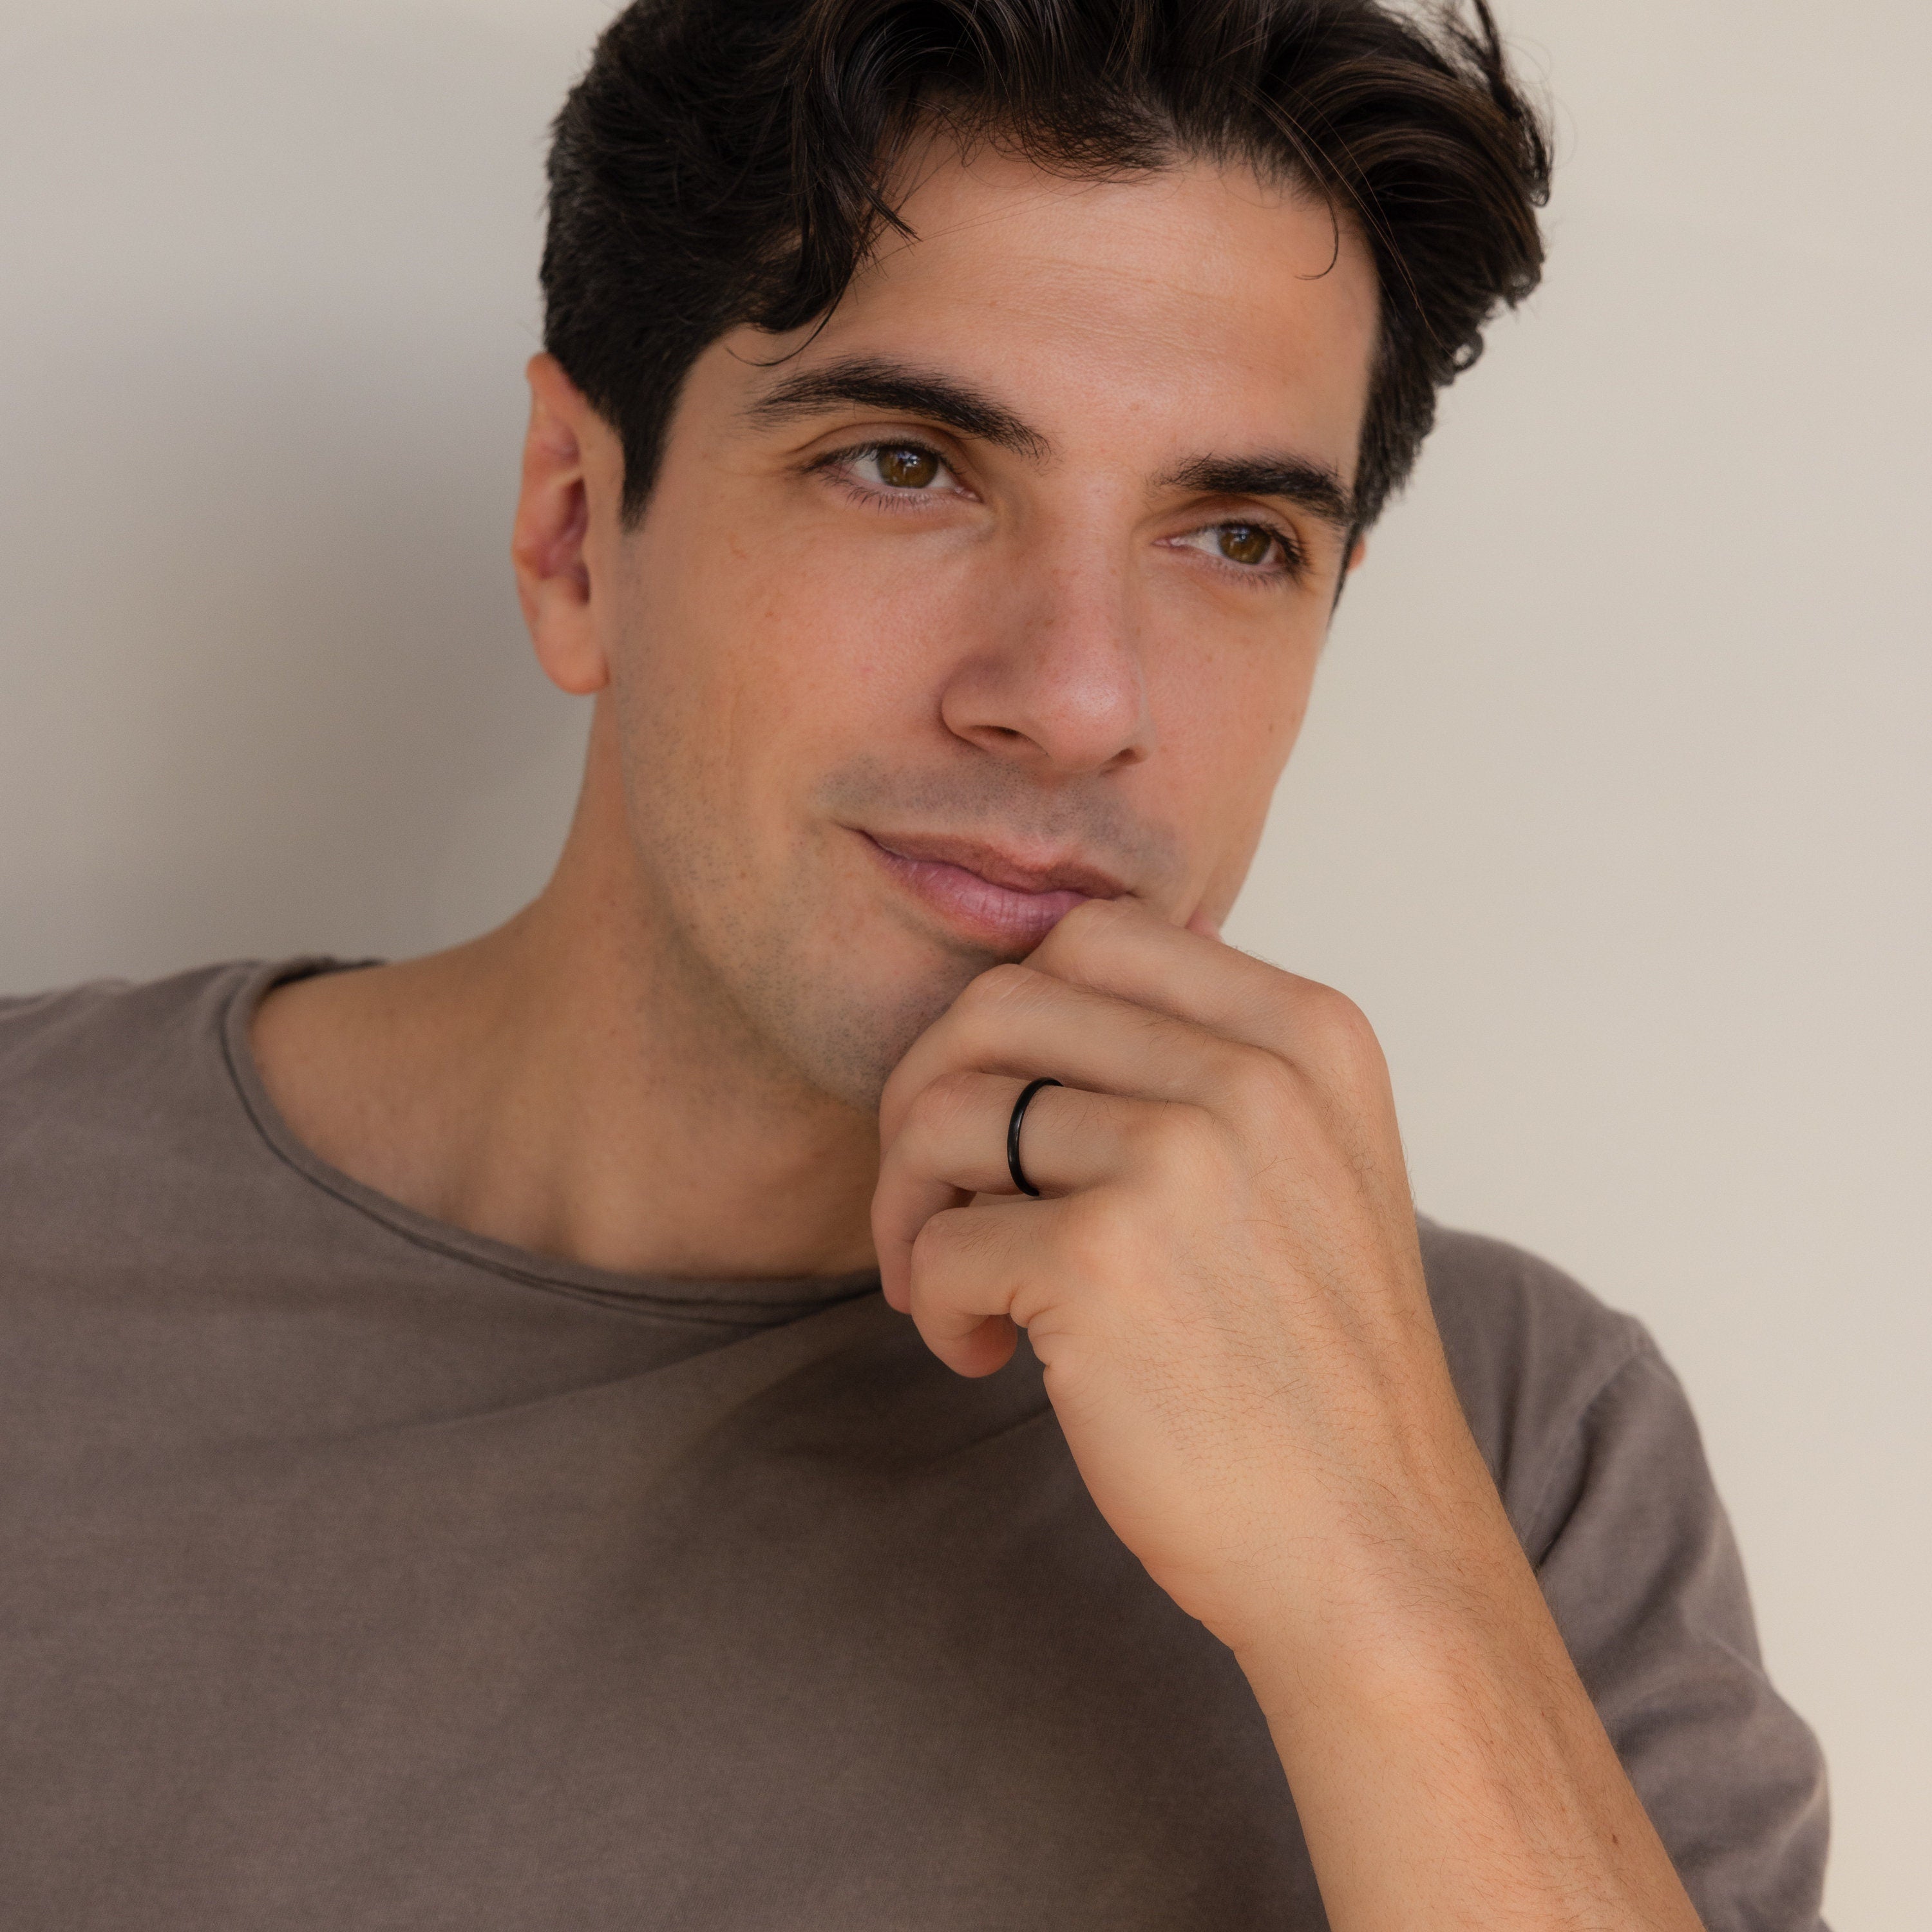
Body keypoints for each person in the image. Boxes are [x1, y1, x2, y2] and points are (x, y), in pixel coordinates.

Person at [0, 0, 1830, 1926]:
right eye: (908, 465)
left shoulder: (1510, 1437)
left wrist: (1383, 1587)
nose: (1078, 699)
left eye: (1232, 538)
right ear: (571, 533)